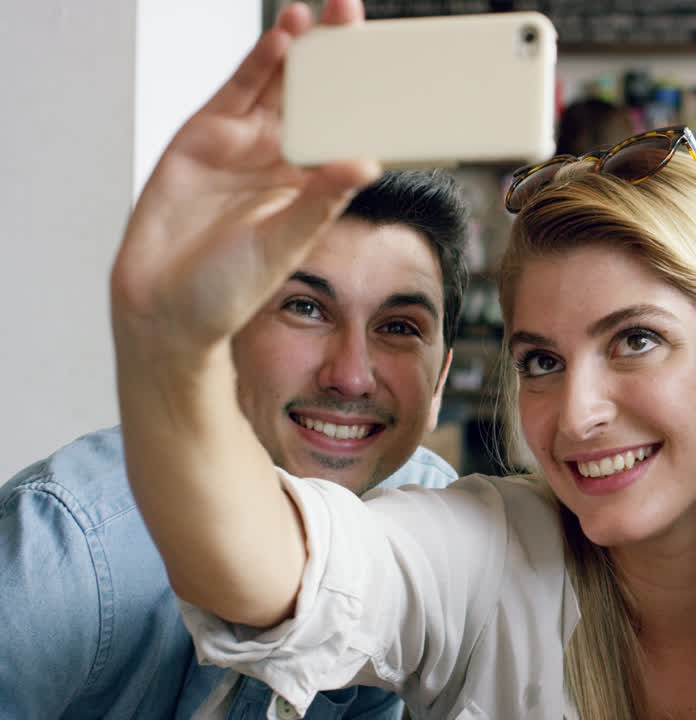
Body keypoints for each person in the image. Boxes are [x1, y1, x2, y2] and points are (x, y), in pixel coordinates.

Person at [109, 2, 696, 718]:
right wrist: (166, 344)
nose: (579, 414)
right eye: (542, 361)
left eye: (635, 340)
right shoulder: (491, 554)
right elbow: (271, 572)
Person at [1, 165, 468, 720]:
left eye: (399, 327)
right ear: (227, 334)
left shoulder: (443, 529)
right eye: (306, 308)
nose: (351, 375)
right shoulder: (71, 546)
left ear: (439, 380)